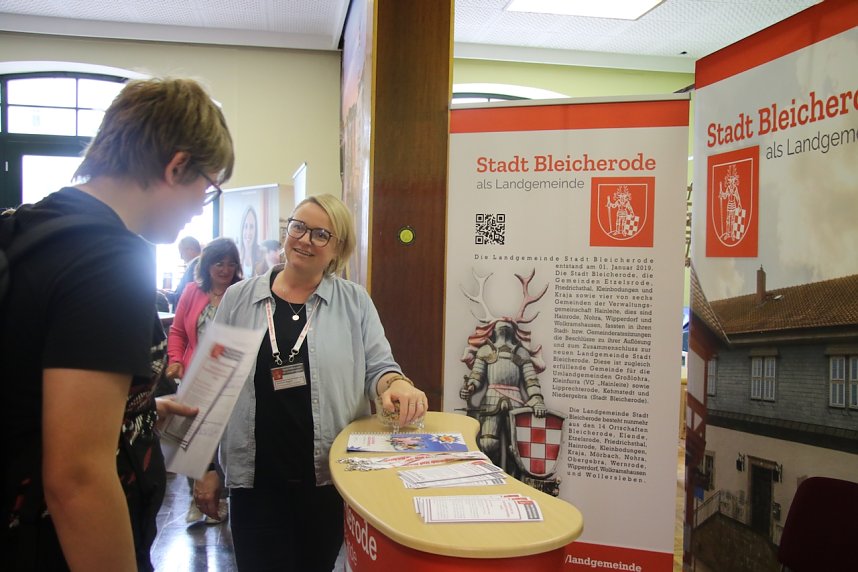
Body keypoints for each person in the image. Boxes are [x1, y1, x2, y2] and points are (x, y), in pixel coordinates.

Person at [1, 77, 234, 571]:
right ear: (176, 166)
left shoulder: (32, 226)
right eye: (208, 187)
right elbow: (78, 477)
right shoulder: (109, 259)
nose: (201, 206)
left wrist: (138, 410)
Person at [192, 193, 428, 572]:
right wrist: (203, 467)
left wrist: (395, 384)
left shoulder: (354, 302)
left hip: (326, 478)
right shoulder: (239, 299)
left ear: (337, 249)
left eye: (321, 234)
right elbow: (211, 384)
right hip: (254, 480)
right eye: (298, 227)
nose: (305, 240)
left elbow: (380, 367)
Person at [166, 237, 242, 524]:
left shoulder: (241, 293)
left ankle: (219, 498)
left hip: (231, 379)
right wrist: (175, 360)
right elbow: (177, 332)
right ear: (207, 265)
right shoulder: (191, 292)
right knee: (192, 439)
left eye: (231, 264)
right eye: (219, 263)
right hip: (195, 377)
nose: (225, 269)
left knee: (223, 441)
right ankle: (196, 499)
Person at [162, 236, 202, 310]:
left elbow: (184, 298)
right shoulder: (200, 265)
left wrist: (166, 294)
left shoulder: (194, 268)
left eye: (181, 252)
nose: (181, 257)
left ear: (190, 250)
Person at [238, 205, 261, 278]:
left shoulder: (262, 257)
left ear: (255, 230)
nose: (248, 232)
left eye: (251, 227)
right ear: (242, 229)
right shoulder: (236, 257)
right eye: (245, 226)